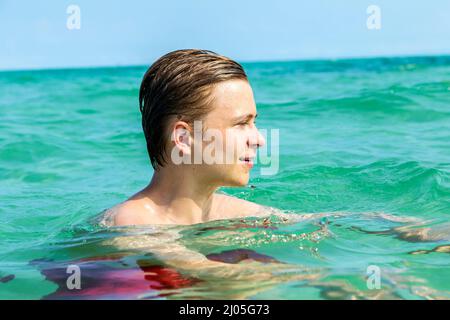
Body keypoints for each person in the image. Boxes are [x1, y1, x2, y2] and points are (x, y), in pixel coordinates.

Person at [103, 49, 270, 226]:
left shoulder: (240, 213)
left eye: (253, 123)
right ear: (183, 138)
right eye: (241, 123)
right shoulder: (132, 226)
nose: (259, 140)